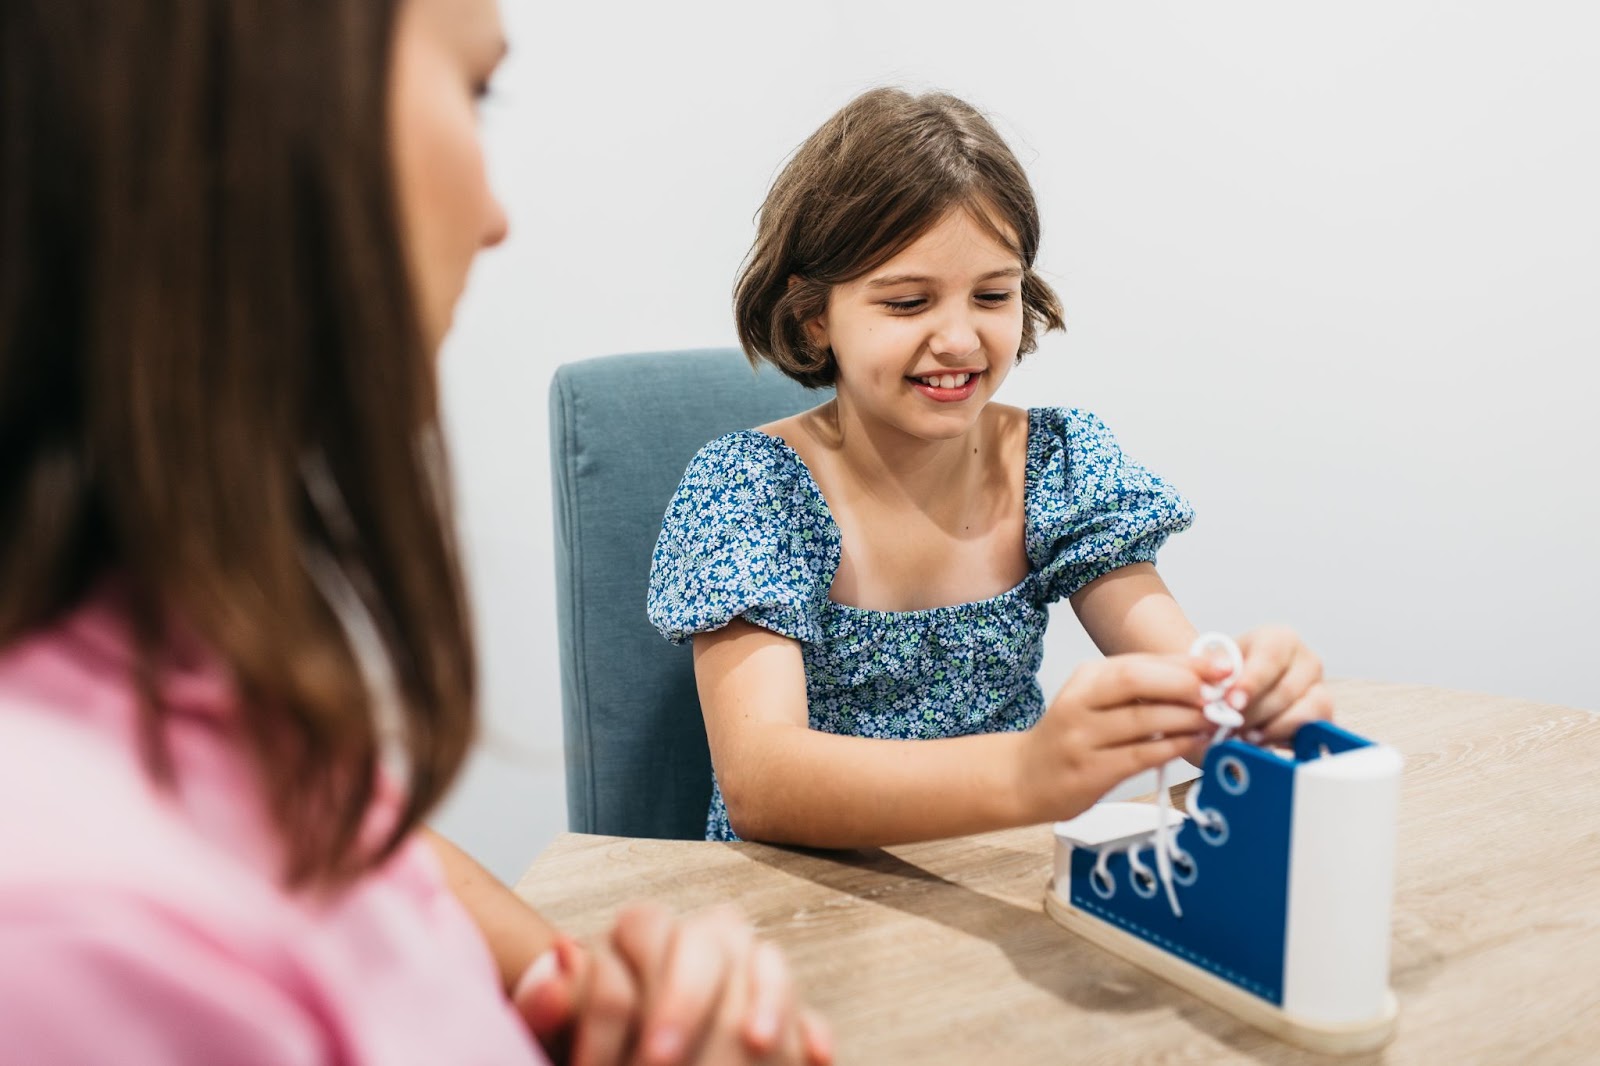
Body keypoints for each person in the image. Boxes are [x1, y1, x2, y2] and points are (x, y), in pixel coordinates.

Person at [0, 1, 829, 1063]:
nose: (495, 216)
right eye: (474, 93)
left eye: (995, 292)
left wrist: (558, 990)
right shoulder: (71, 940)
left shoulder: (199, 670)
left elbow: (374, 851)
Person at [647, 88, 1333, 847]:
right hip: (802, 909)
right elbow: (763, 783)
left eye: (992, 295)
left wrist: (1247, 698)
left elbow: (1188, 688)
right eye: (908, 303)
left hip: (1001, 890)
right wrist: (1026, 774)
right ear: (814, 316)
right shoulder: (751, 489)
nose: (960, 339)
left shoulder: (1054, 466)